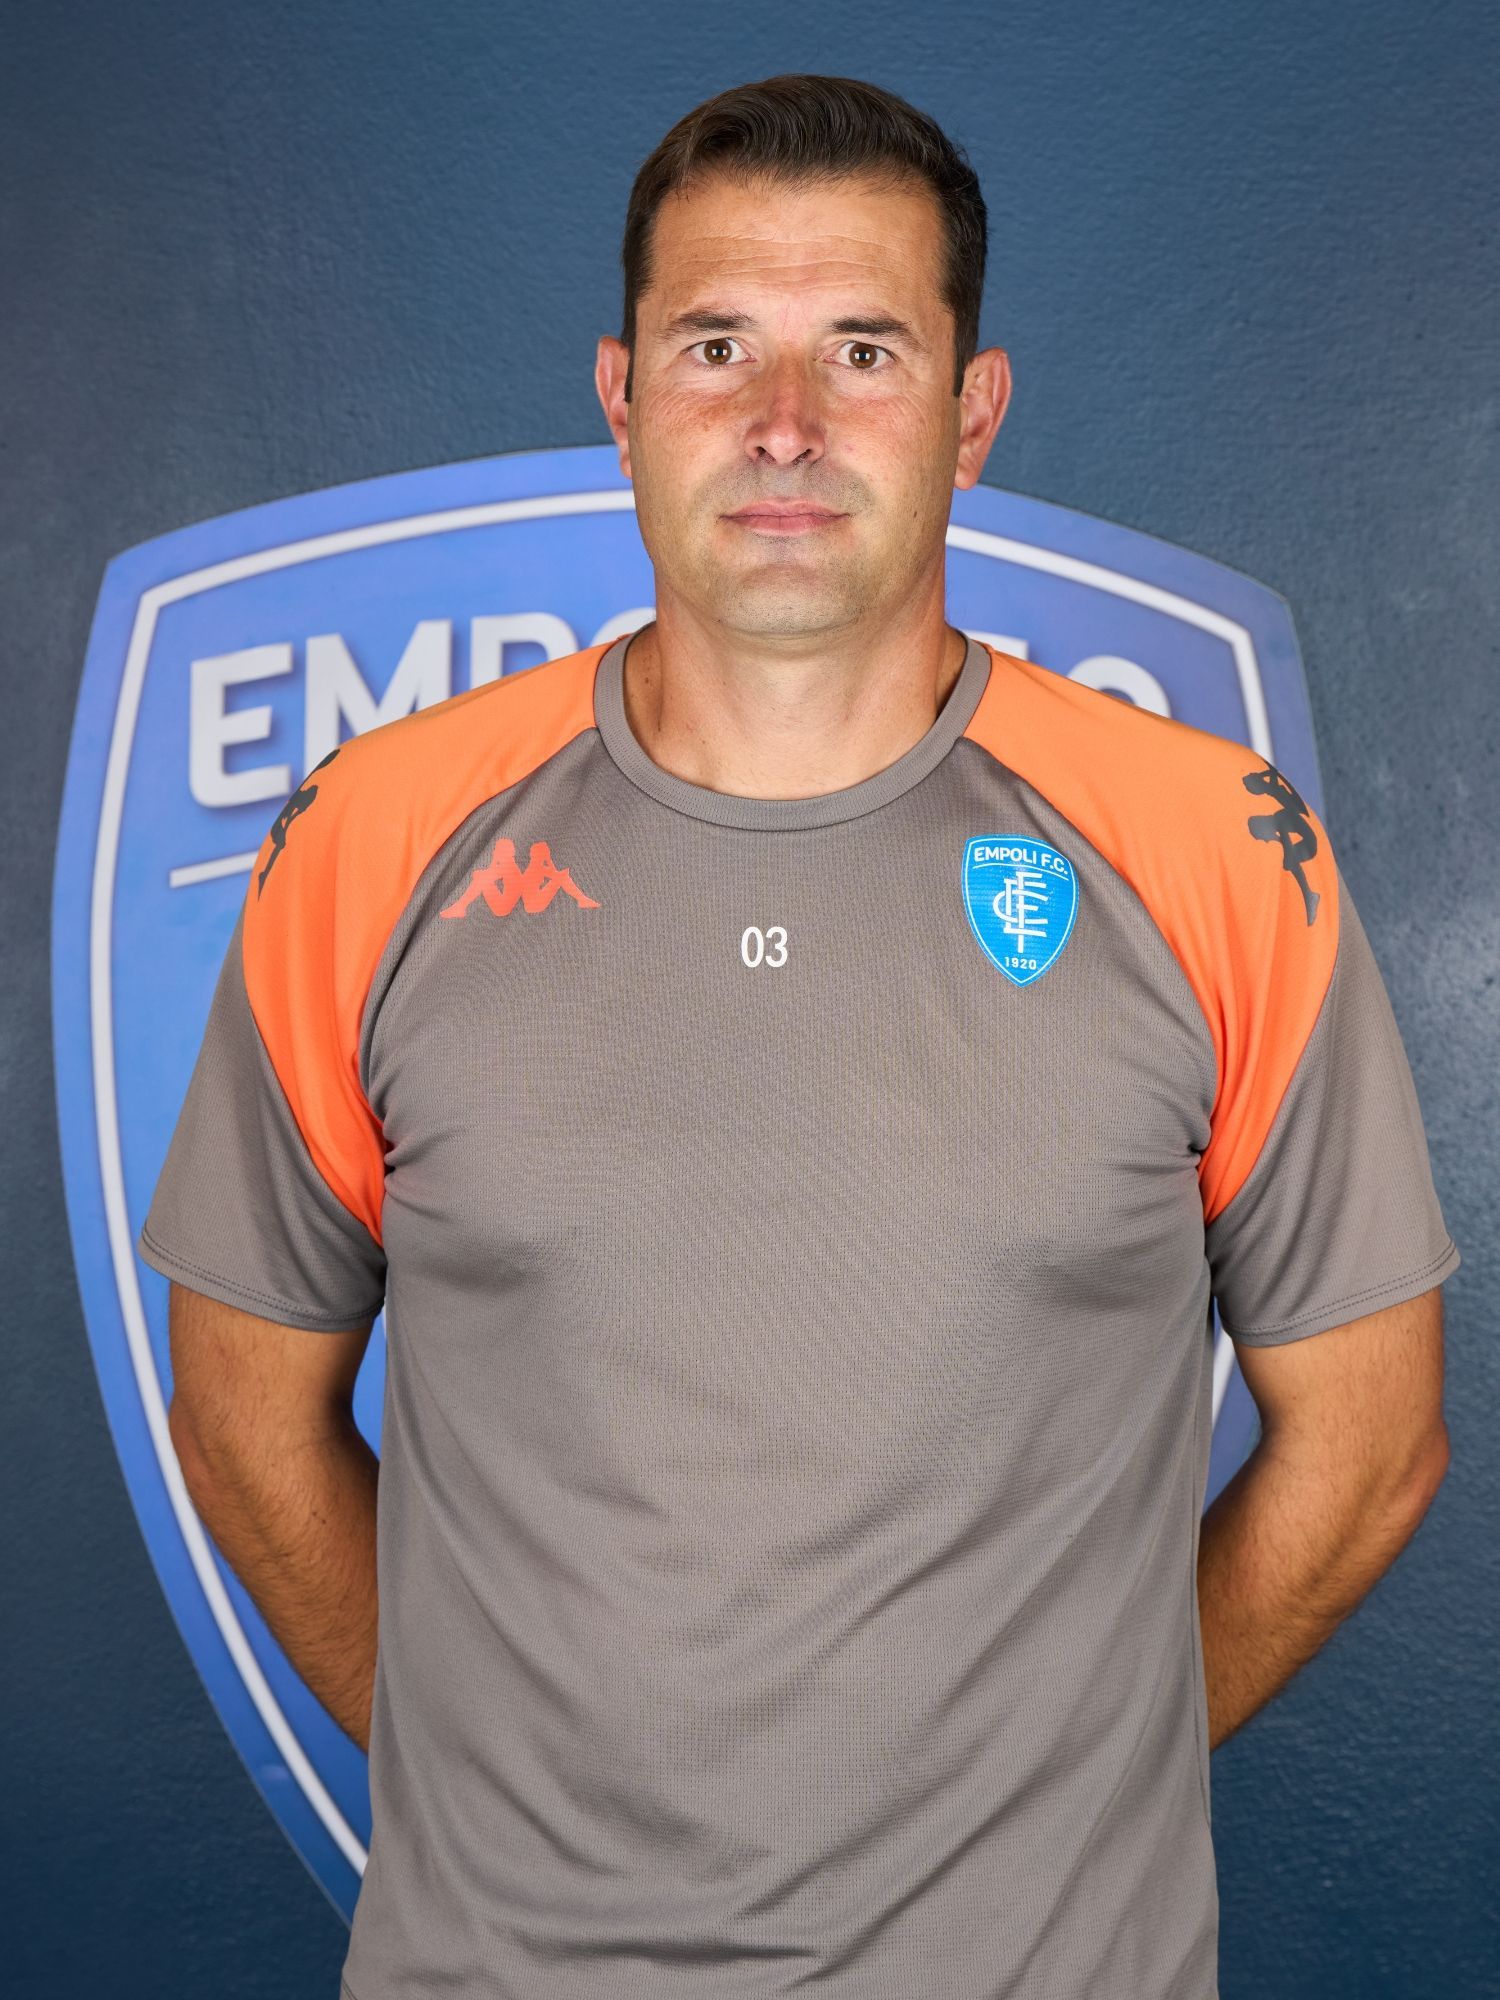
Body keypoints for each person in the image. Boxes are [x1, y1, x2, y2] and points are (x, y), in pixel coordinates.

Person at [138, 73, 1460, 2000]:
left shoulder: (1212, 850)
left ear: (971, 413)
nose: (783, 423)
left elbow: (1373, 1446)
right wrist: (488, 1788)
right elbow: (244, 1420)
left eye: (861, 348)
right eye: (714, 347)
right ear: (619, 399)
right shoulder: (375, 838)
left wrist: (1068, 1774)